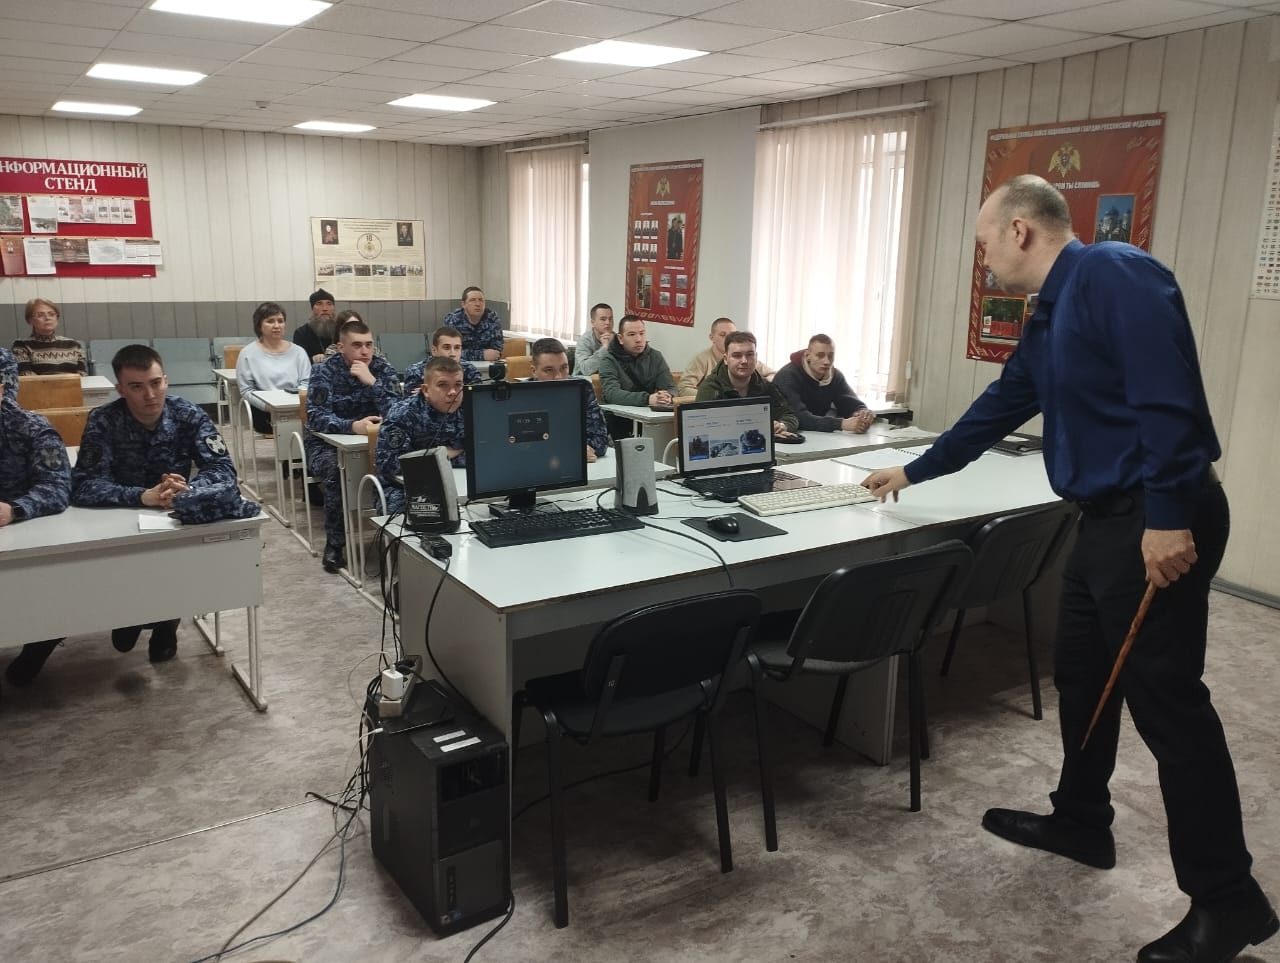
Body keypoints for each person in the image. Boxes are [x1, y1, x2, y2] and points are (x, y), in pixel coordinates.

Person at [862, 174, 1276, 963]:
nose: (983, 259)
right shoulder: (1049, 314)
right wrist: (914, 469)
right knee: (1083, 674)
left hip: (1156, 518)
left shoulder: (1115, 273)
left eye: (984, 243)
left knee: (1170, 705)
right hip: (1104, 520)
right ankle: (1082, 820)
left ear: (1021, 230)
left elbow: (1168, 399)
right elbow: (1000, 405)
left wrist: (1167, 516)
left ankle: (1229, 900)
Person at [72, 344, 238, 664]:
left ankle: (167, 622)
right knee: (125, 591)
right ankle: (131, 613)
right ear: (120, 389)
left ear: (166, 380)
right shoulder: (103, 421)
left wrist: (189, 489)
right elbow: (83, 485)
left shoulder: (188, 414)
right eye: (137, 387)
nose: (150, 394)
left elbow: (223, 469)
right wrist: (140, 495)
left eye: (156, 383)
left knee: (174, 564)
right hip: (120, 517)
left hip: (173, 515)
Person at [0, 346, 73, 697]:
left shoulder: (30, 428)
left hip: (22, 532)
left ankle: (42, 636)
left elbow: (57, 487)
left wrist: (14, 509)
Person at [306, 317, 399, 574]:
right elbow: (316, 417)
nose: (365, 351)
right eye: (357, 345)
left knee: (402, 469)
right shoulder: (324, 370)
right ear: (341, 347)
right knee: (336, 472)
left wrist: (373, 383)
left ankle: (398, 541)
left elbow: (399, 411)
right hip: (326, 444)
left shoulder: (381, 368)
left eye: (369, 344)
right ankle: (335, 544)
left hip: (375, 441)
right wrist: (352, 426)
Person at [375, 357, 467, 515]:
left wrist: (445, 457)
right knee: (423, 516)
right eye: (443, 385)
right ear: (426, 390)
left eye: (458, 385)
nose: (453, 392)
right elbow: (389, 465)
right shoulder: (403, 414)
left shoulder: (471, 410)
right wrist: (442, 455)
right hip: (403, 488)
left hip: (459, 482)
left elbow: (485, 453)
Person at [695, 331, 798, 437]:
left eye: (749, 355)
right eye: (737, 355)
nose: (744, 361)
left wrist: (782, 426)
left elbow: (789, 415)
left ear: (756, 357)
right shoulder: (710, 389)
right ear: (725, 359)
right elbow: (702, 428)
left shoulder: (765, 386)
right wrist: (762, 431)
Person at [528, 337, 610, 463]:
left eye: (564, 368)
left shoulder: (581, 389)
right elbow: (522, 447)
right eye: (549, 370)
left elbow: (601, 440)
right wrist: (573, 450)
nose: (558, 377)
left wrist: (579, 449)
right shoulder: (520, 396)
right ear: (534, 371)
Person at [236, 302, 312, 436]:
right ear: (259, 325)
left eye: (280, 321)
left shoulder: (298, 352)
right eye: (270, 321)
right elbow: (247, 390)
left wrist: (296, 405)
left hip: (297, 407)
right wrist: (269, 407)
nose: (277, 326)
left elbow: (306, 382)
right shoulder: (247, 354)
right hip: (264, 411)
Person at [773, 334, 874, 433]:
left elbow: (852, 404)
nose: (827, 362)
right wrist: (841, 424)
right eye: (820, 355)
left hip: (820, 434)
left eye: (831, 356)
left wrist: (862, 415)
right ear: (808, 356)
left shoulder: (835, 375)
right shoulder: (788, 376)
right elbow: (799, 417)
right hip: (788, 434)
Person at [678, 317, 772, 397]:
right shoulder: (702, 359)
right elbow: (684, 388)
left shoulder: (747, 360)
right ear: (712, 337)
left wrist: (760, 388)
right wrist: (712, 395)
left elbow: (773, 375)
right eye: (722, 335)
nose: (728, 338)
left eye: (732, 335)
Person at [597, 315, 675, 408]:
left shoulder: (655, 356)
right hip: (618, 414)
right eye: (632, 334)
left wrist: (667, 396)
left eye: (642, 333)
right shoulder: (608, 359)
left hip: (647, 413)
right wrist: (647, 399)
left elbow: (670, 387)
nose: (639, 339)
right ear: (620, 338)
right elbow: (611, 393)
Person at [11, 297, 88, 375]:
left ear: (57, 318)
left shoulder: (73, 345)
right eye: (40, 315)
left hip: (71, 383)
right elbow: (26, 374)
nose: (47, 318)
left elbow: (82, 375)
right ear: (30, 320)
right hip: (39, 384)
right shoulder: (21, 345)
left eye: (51, 314)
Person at [404, 325, 482, 394]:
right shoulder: (415, 372)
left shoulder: (470, 370)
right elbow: (412, 403)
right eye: (447, 348)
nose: (452, 353)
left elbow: (476, 398)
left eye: (457, 348)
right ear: (434, 350)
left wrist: (432, 393)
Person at [443, 286, 503, 362]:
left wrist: (488, 355)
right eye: (472, 300)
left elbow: (496, 351)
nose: (478, 304)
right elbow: (448, 352)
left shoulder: (492, 319)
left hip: (487, 364)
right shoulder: (453, 320)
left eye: (481, 300)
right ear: (463, 304)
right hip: (459, 365)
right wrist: (481, 355)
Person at [293, 288, 337, 363]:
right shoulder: (301, 333)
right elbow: (298, 361)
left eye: (329, 304)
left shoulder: (342, 330)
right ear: (312, 309)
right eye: (319, 304)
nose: (325, 308)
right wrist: (312, 359)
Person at [573, 303, 615, 376]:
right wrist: (605, 348)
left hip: (608, 380)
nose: (608, 322)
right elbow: (586, 370)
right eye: (603, 319)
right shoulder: (584, 340)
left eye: (610, 319)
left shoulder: (617, 338)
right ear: (593, 323)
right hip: (584, 380)